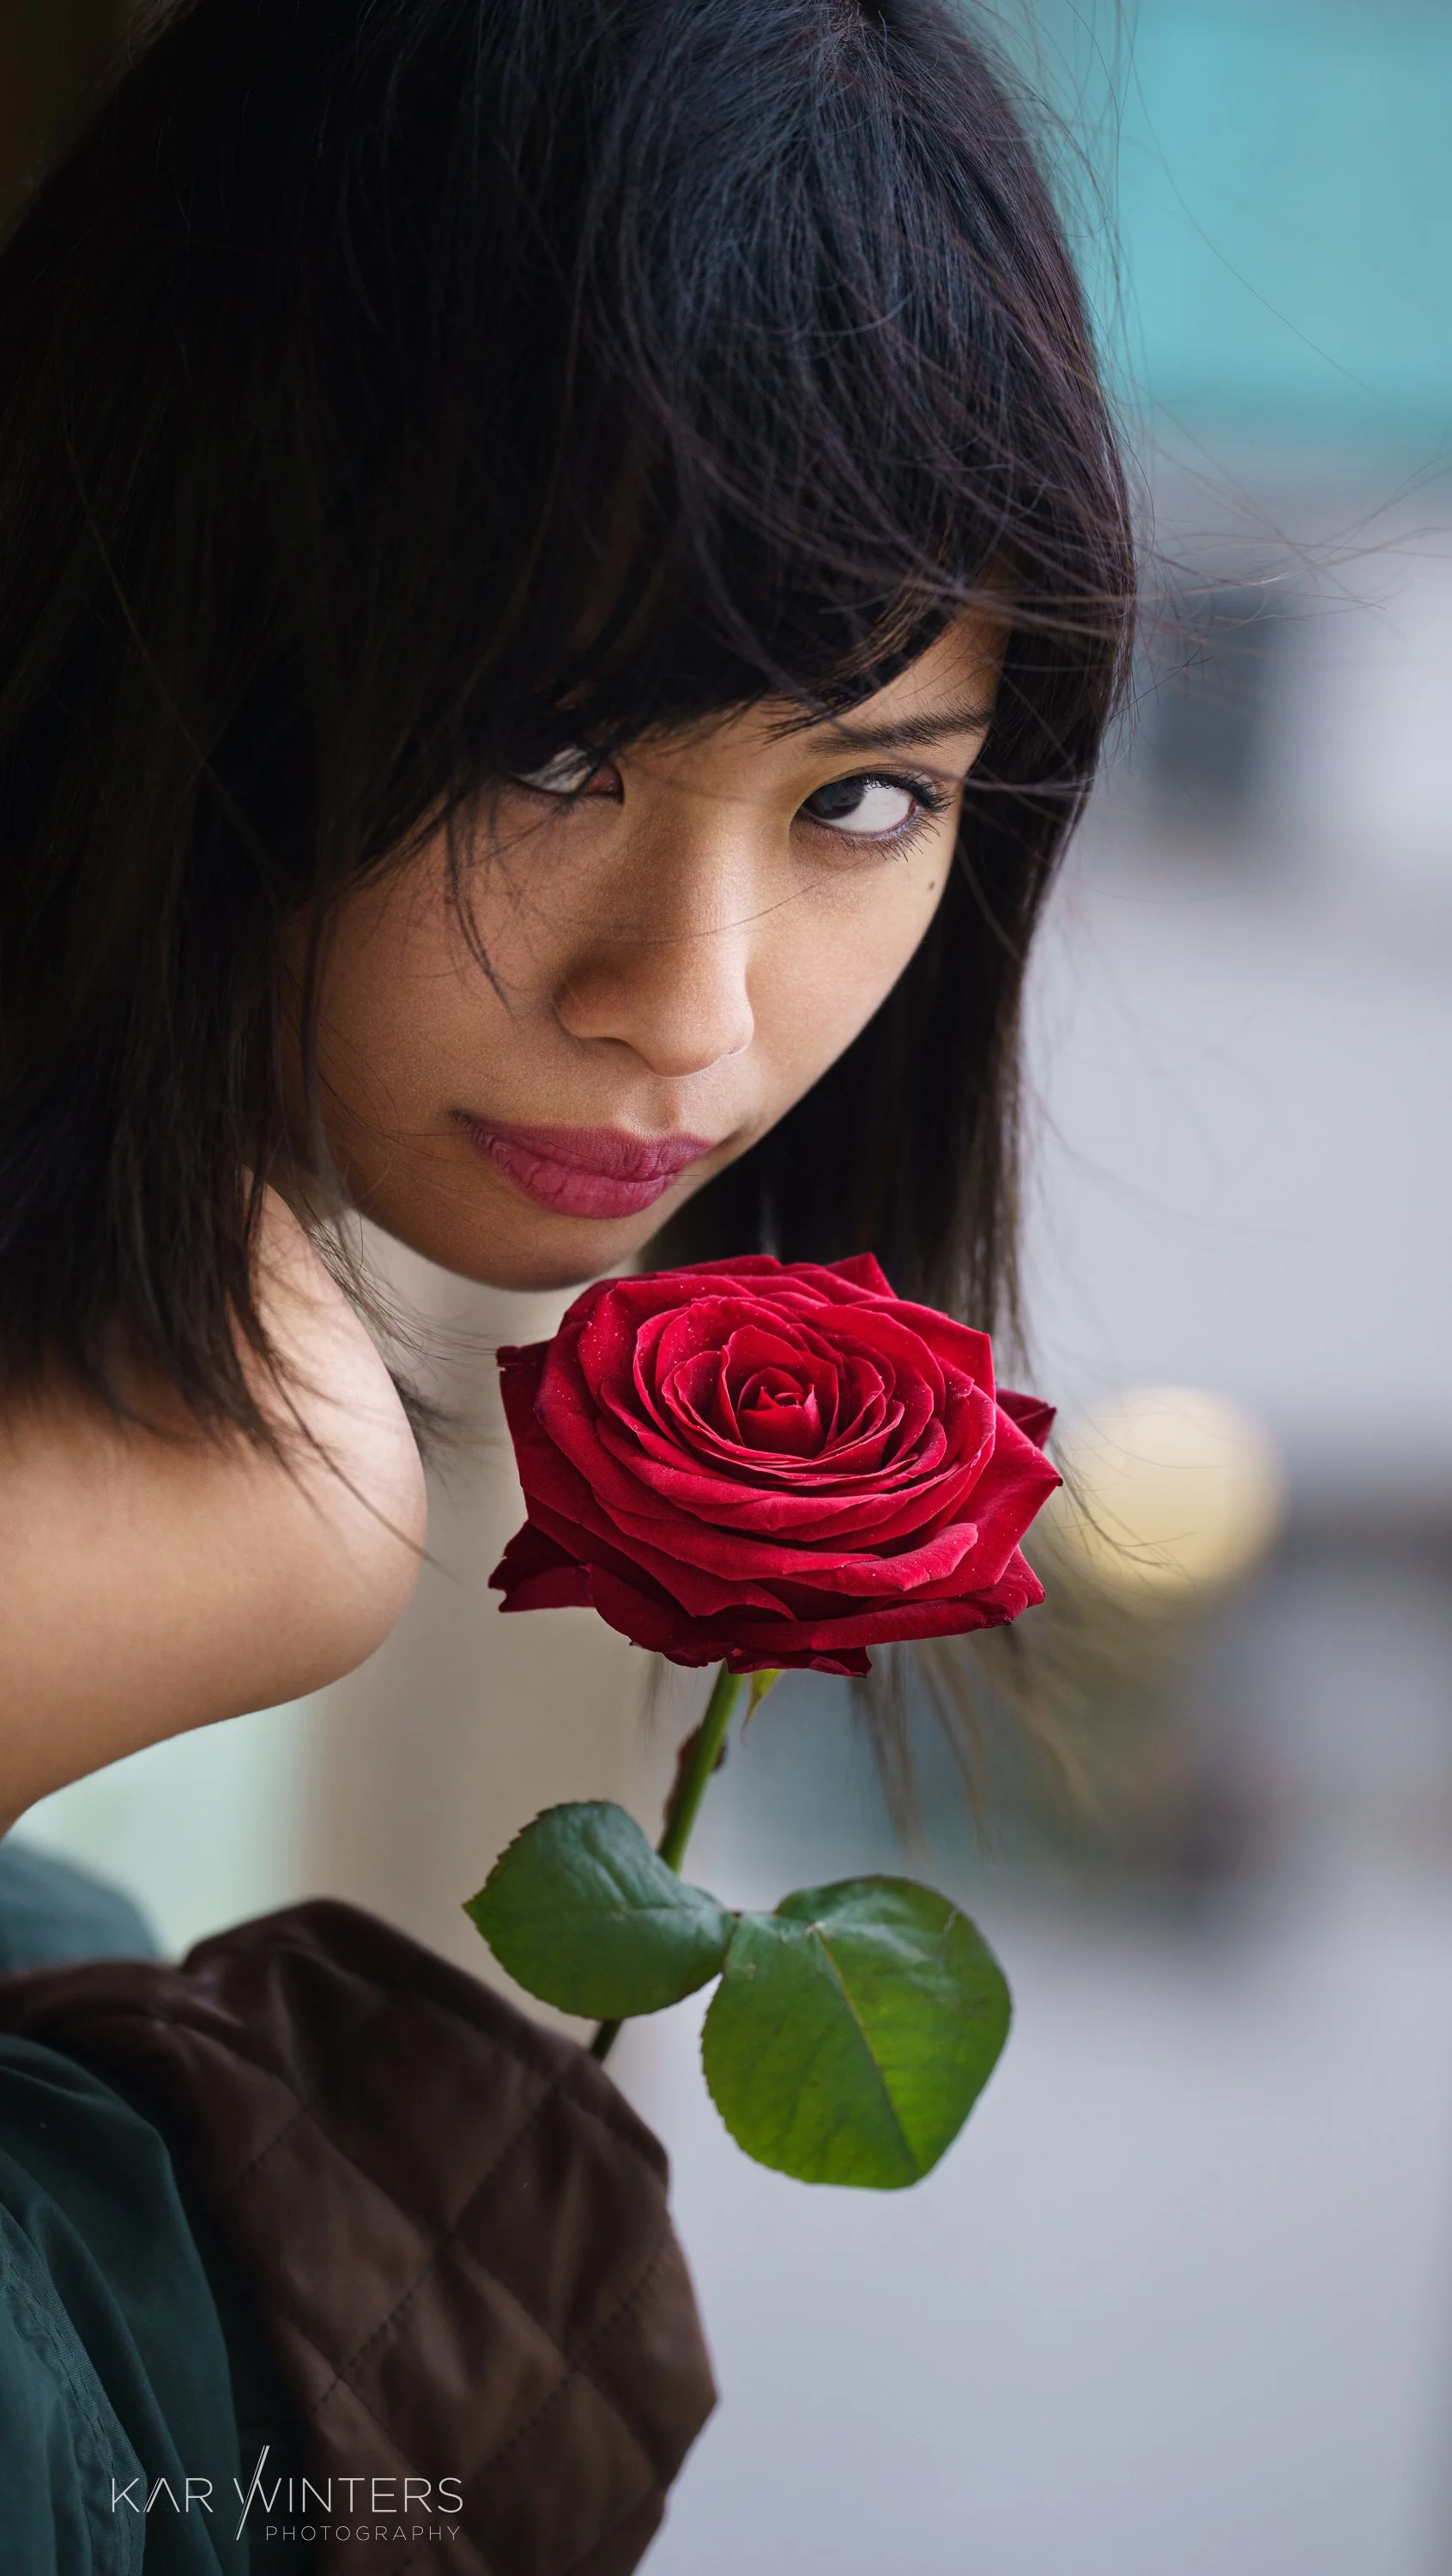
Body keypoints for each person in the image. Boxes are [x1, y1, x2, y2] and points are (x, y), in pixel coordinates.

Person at [0, 0, 1134, 2565]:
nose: (696, 1004)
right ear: (189, 574)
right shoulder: (244, 1454)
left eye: (865, 794)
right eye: (550, 751)